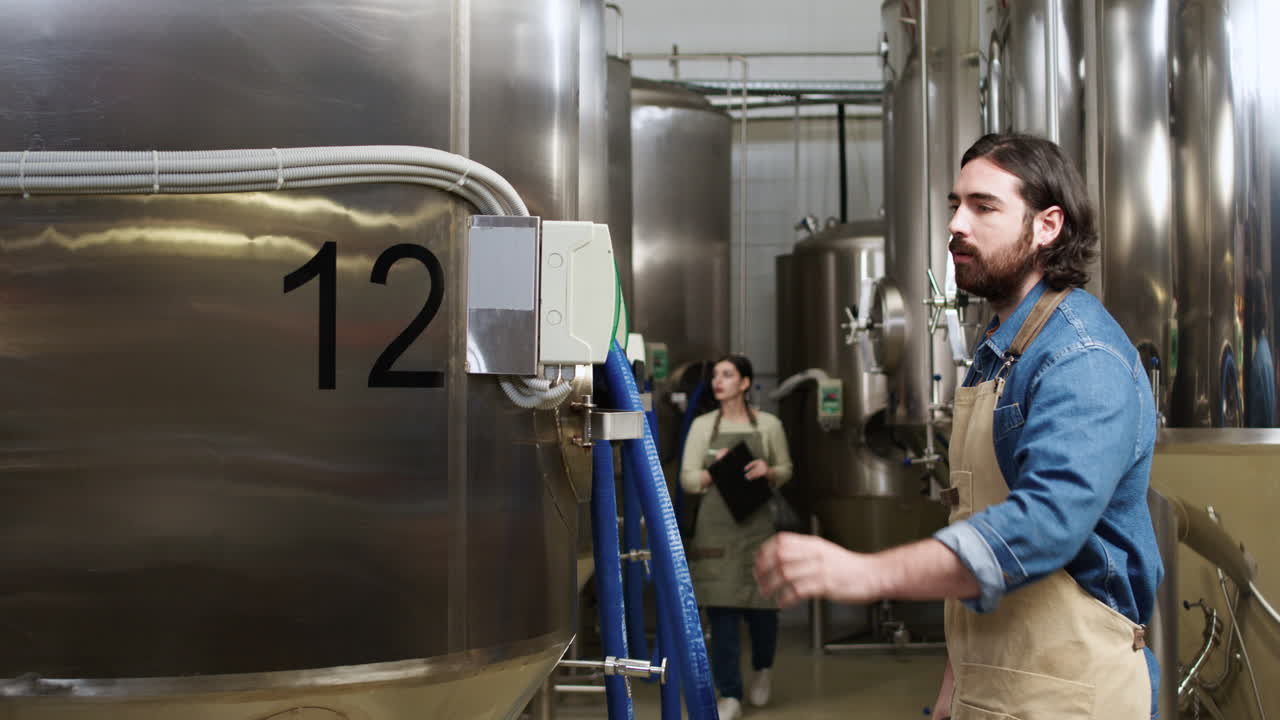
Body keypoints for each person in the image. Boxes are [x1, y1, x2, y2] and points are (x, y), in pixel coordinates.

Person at [754, 133, 1163, 719]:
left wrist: (866, 573)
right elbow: (976, 520)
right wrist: (956, 680)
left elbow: (1043, 525)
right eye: (954, 204)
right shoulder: (1001, 350)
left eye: (983, 206)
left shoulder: (1081, 356)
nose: (956, 225)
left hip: (1071, 695)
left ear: (1048, 225)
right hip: (997, 687)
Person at [680, 354, 792, 720]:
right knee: (722, 611)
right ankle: (729, 693)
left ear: (745, 382)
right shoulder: (701, 427)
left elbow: (787, 470)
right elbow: (687, 479)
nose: (718, 381)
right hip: (717, 532)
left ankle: (763, 669)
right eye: (715, 375)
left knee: (764, 612)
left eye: (727, 375)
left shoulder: (769, 426)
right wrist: (716, 471)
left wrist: (769, 470)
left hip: (759, 527)